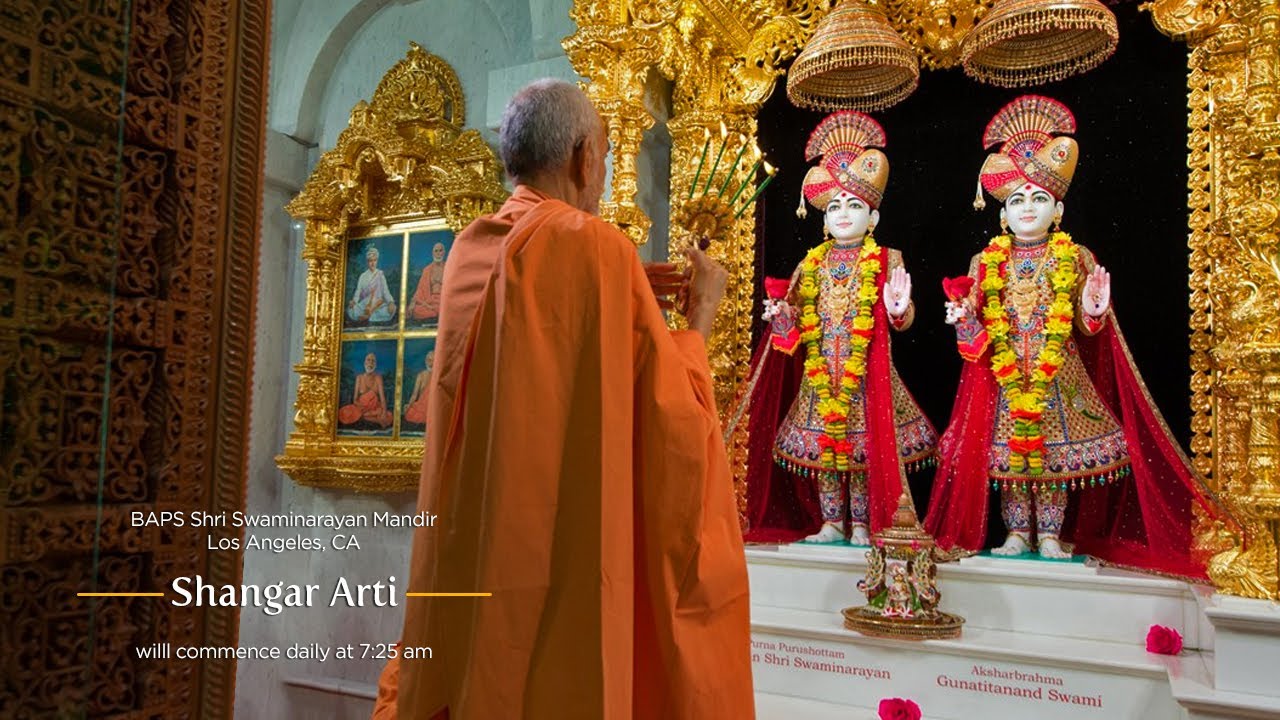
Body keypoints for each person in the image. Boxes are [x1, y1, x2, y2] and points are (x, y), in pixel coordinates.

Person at [371, 78, 754, 719]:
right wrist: (699, 322)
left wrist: (629, 298)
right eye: (604, 154)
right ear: (582, 156)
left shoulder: (472, 245)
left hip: (477, 548)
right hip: (560, 564)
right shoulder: (594, 247)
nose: (601, 172)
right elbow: (677, 432)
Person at [924, 95, 1231, 577]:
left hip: (1057, 377)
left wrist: (1092, 310)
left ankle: (1049, 534)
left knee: (1049, 457)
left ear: (1058, 208)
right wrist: (963, 318)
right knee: (1008, 460)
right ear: (1002, 212)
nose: (1027, 209)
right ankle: (1016, 533)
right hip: (1001, 380)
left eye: (1039, 198)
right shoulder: (984, 263)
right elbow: (972, 341)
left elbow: (1091, 331)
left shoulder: (1077, 256)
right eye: (1018, 199)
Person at [739, 111, 936, 546]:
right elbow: (789, 337)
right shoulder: (810, 263)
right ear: (823, 219)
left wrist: (900, 309)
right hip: (821, 372)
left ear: (874, 219)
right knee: (827, 450)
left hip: (866, 375)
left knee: (864, 451)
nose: (843, 215)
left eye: (854, 206)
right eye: (834, 208)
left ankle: (864, 524)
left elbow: (904, 322)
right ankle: (831, 523)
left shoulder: (888, 260)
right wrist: (783, 318)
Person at [337, 352, 393, 428]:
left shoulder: (378, 378)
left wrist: (383, 412)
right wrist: (362, 406)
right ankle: (373, 418)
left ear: (375, 365)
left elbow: (382, 398)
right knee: (344, 414)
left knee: (388, 416)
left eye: (373, 361)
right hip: (361, 407)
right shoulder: (359, 377)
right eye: (368, 360)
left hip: (374, 407)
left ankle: (365, 416)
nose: (370, 363)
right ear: (365, 363)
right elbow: (355, 399)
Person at [348, 246, 397, 324]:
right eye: (370, 261)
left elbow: (385, 291)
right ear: (367, 262)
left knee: (392, 308)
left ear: (377, 261)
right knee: (351, 310)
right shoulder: (363, 276)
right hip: (365, 303)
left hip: (378, 303)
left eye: (375, 260)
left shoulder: (380, 274)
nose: (373, 263)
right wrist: (354, 301)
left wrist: (390, 302)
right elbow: (358, 291)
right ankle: (369, 315)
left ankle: (367, 316)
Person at [407, 242, 447, 322]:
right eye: (436, 251)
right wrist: (413, 302)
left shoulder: (449, 267)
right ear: (433, 253)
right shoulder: (427, 270)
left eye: (440, 250)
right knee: (416, 310)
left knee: (449, 307)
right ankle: (437, 313)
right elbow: (420, 289)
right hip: (430, 301)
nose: (438, 253)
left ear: (444, 252)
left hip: (444, 300)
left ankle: (437, 312)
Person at [402, 351, 433, 426]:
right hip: (421, 407)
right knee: (409, 412)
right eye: (428, 360)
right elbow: (414, 395)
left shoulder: (438, 375)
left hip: (433, 406)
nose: (429, 362)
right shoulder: (421, 375)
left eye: (432, 360)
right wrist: (409, 406)